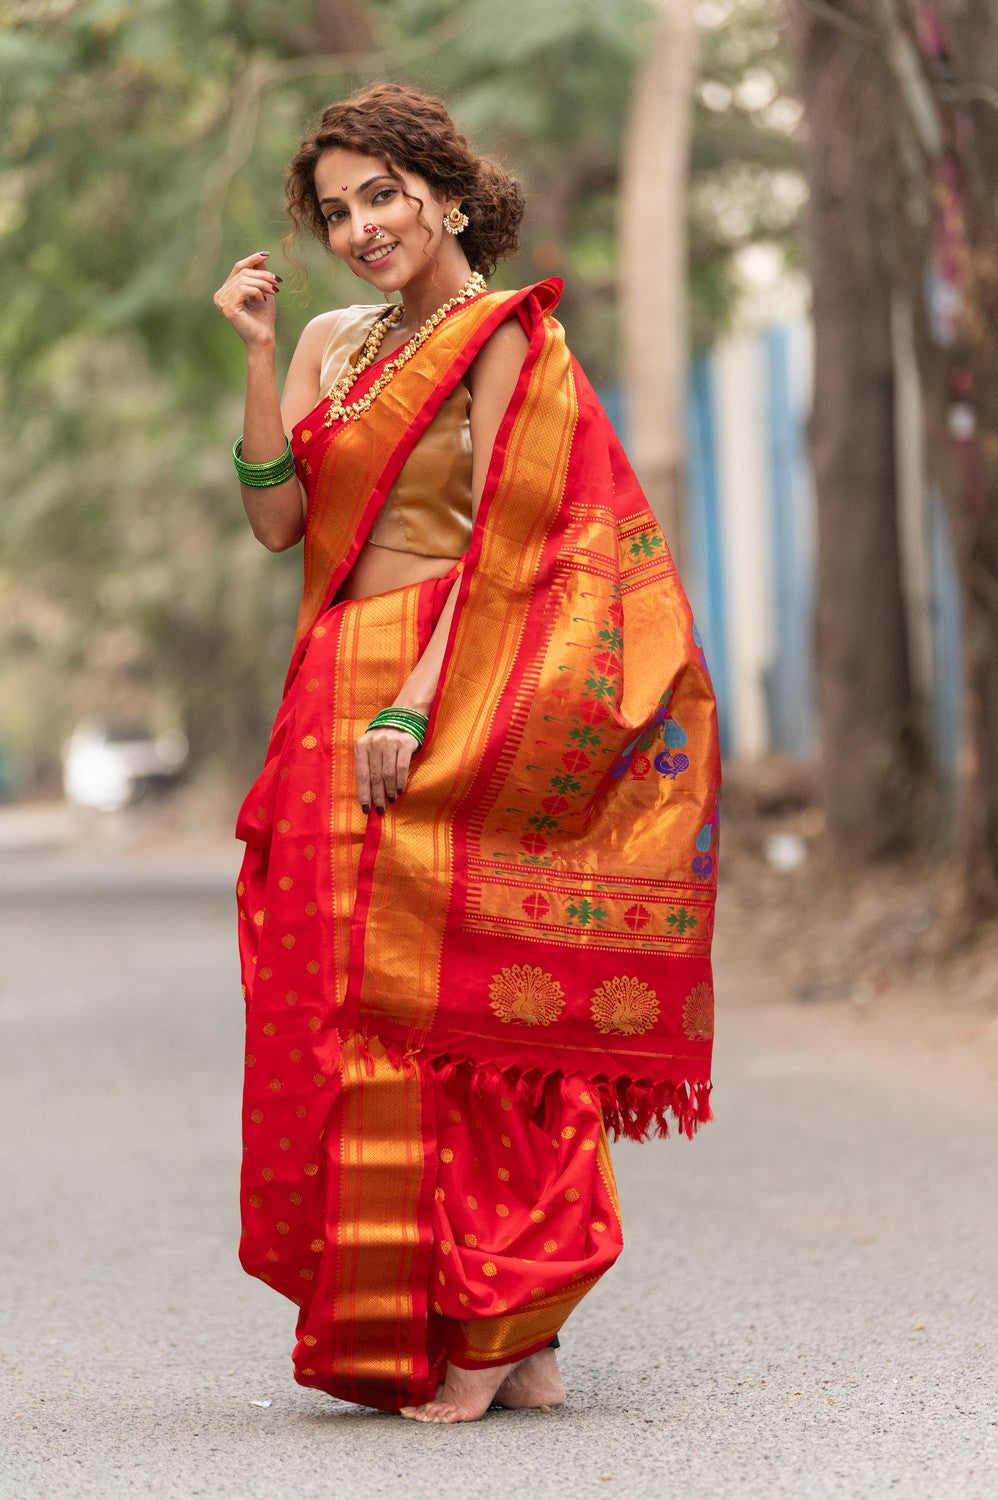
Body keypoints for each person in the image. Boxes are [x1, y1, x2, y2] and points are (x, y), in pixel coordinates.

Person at [214, 82, 719, 1424]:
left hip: (460, 680)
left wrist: (415, 707)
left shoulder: (503, 339)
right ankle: (469, 1322)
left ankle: (506, 1309)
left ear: (445, 193)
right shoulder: (330, 340)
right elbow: (278, 526)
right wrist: (258, 356)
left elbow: (514, 541)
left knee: (467, 1007)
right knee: (338, 1005)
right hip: (333, 681)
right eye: (336, 212)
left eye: (382, 195)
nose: (361, 228)